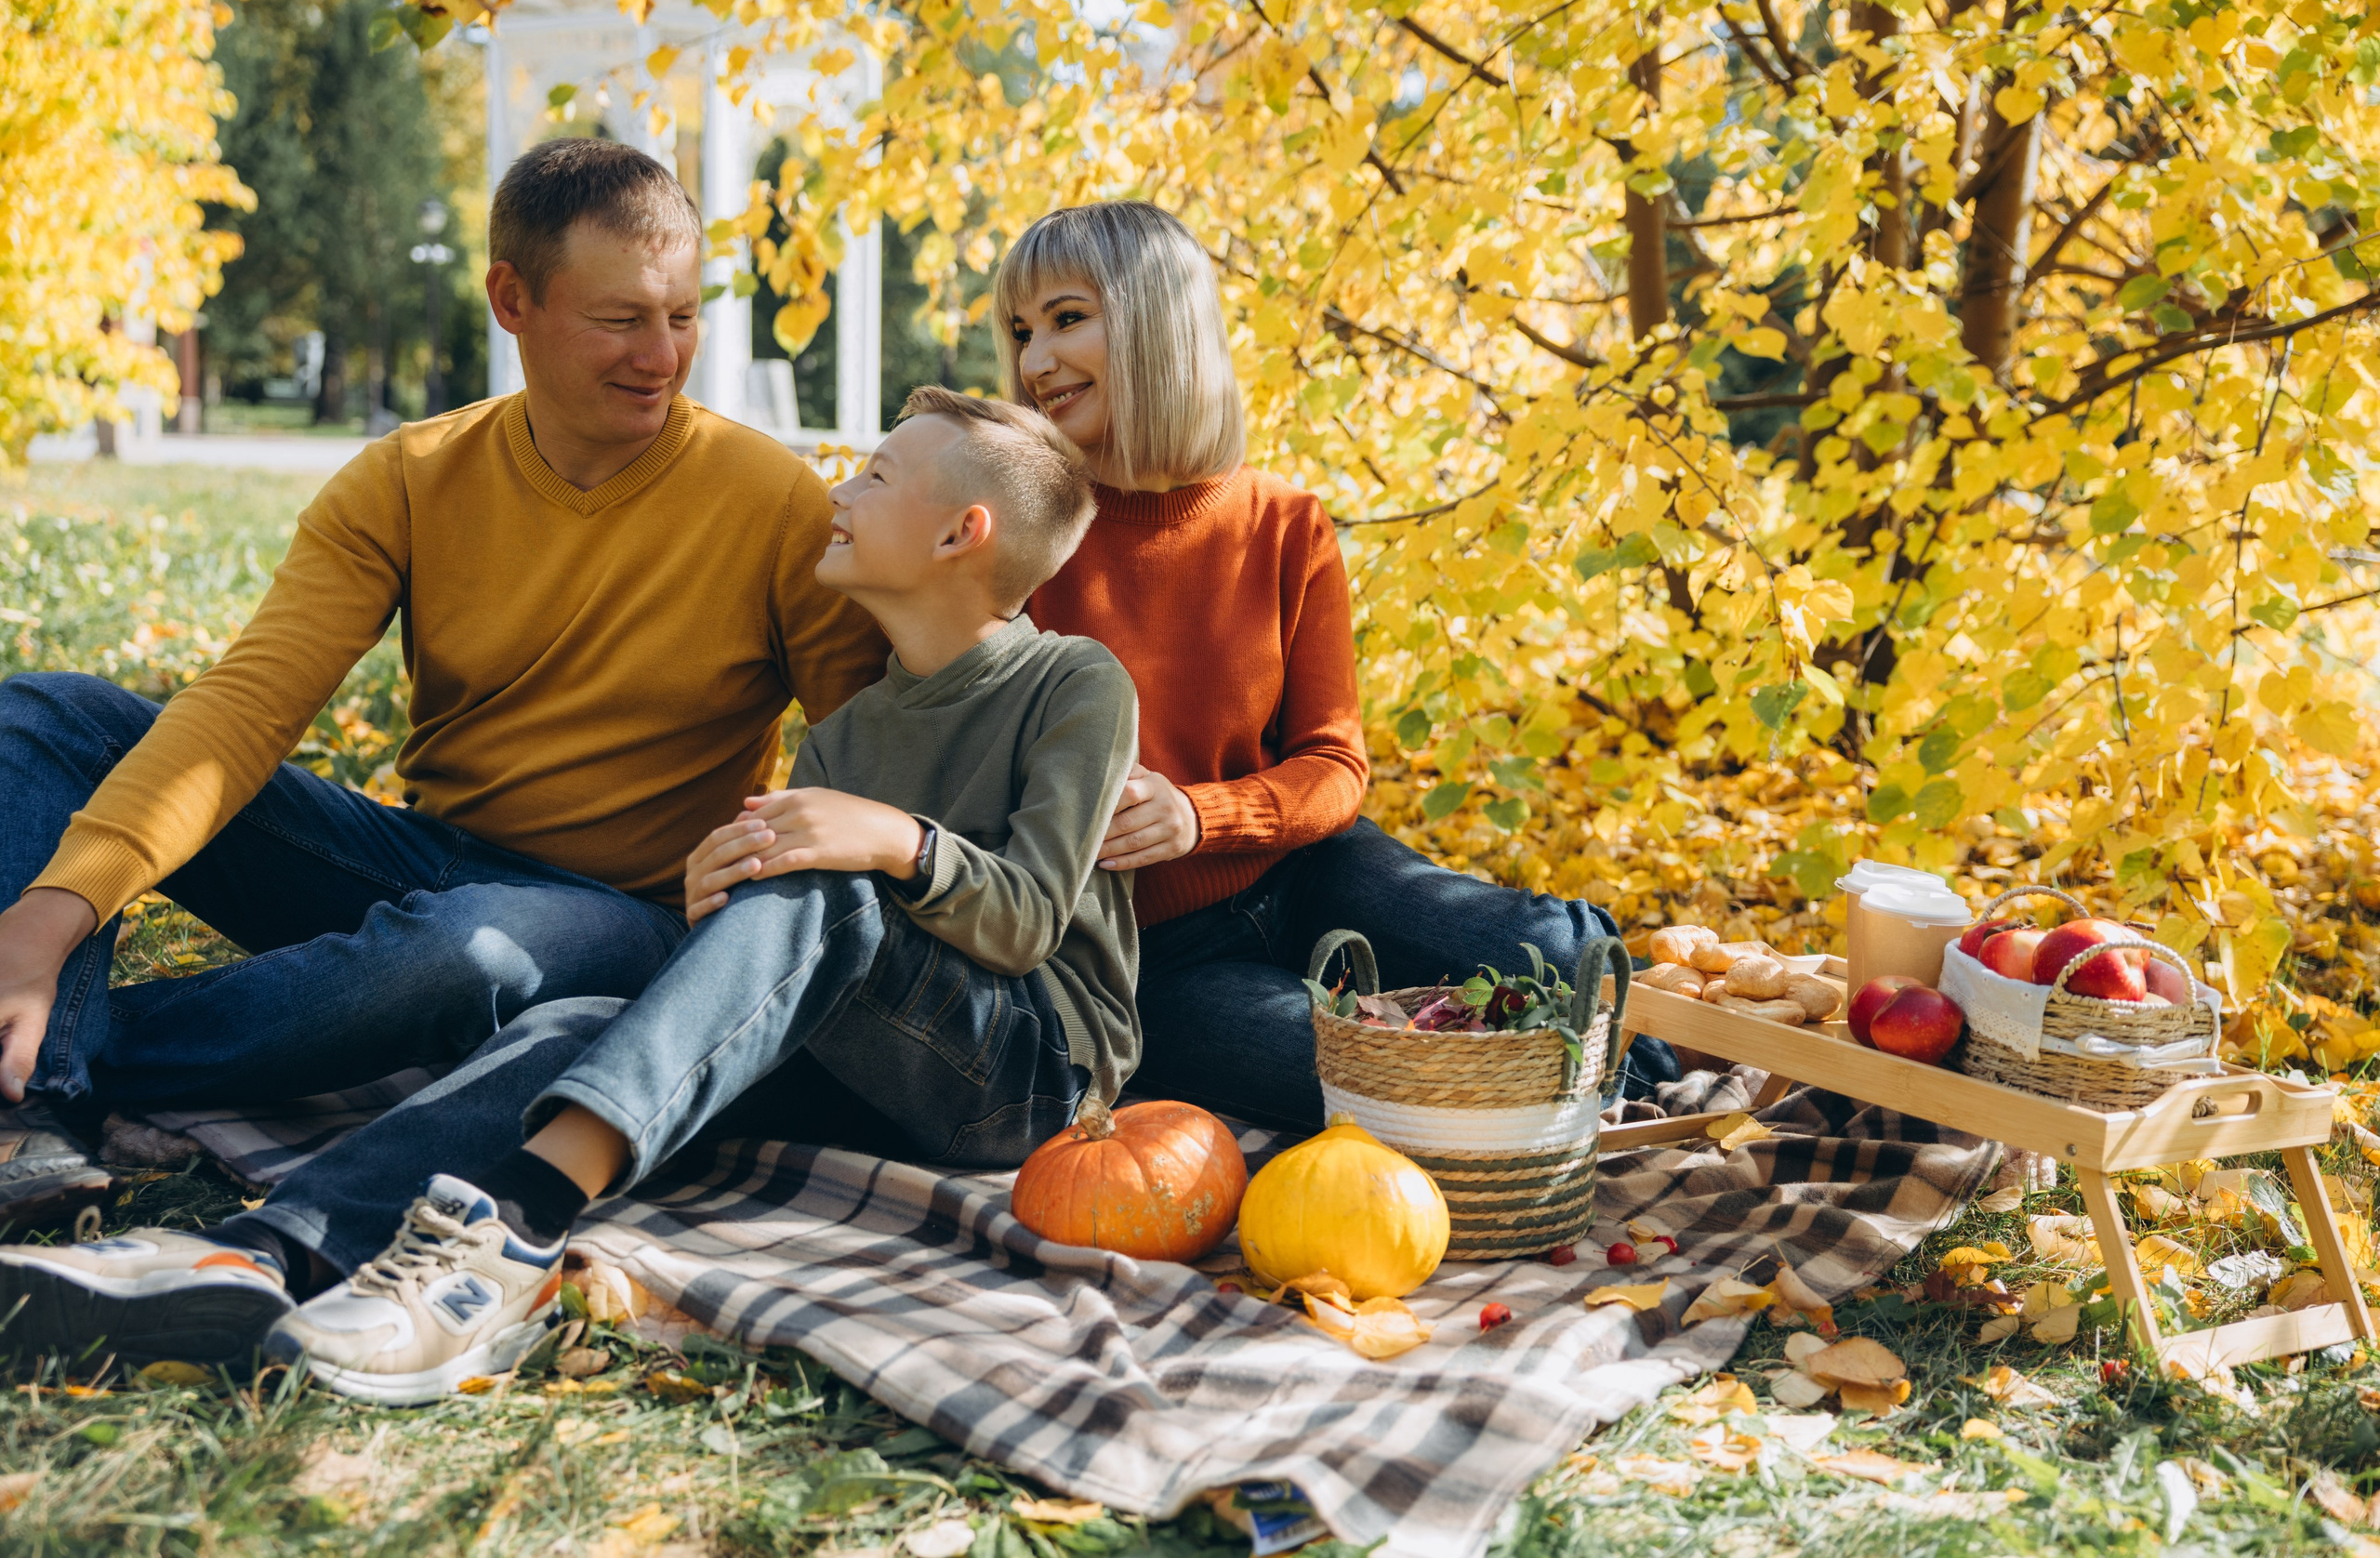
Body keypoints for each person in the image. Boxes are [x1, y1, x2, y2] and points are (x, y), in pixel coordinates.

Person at [1, 390, 1139, 1397]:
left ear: (959, 531)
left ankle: (517, 1227)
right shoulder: (845, 732)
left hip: (1030, 1077)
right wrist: (723, 890)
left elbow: (1027, 917)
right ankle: (264, 1253)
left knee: (826, 886)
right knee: (588, 1030)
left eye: (876, 474)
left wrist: (891, 842)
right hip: (863, 1068)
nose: (840, 488)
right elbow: (784, 965)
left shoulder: (1071, 681)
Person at [0, 136, 885, 1237]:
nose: (661, 355)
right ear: (512, 299)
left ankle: (55, 1066)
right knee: (42, 717)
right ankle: (33, 1064)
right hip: (421, 860)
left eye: (682, 315)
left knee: (470, 944)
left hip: (626, 922)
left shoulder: (777, 504)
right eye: (619, 319)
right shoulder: (411, 477)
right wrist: (53, 913)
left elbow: (872, 762)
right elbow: (247, 709)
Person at [998, 202, 1677, 1130]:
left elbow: (1333, 766)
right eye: (1020, 329)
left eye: (1067, 318)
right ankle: (1590, 1081)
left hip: (1309, 871)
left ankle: (1632, 1057)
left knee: (1556, 957)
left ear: (1159, 322)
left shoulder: (1284, 525)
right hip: (1143, 953)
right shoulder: (1016, 544)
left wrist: (1198, 815)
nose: (1035, 361)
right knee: (1374, 1081)